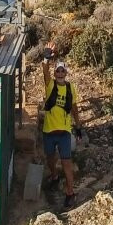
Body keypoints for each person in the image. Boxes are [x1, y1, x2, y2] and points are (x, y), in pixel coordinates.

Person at [41, 43, 82, 210]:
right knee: (50, 159)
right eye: (57, 70)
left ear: (66, 73)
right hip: (49, 131)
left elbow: (74, 108)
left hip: (64, 132)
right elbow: (44, 70)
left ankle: (70, 193)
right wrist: (46, 56)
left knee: (67, 162)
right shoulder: (50, 85)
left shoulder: (71, 88)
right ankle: (54, 175)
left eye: (62, 70)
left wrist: (78, 126)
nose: (59, 73)